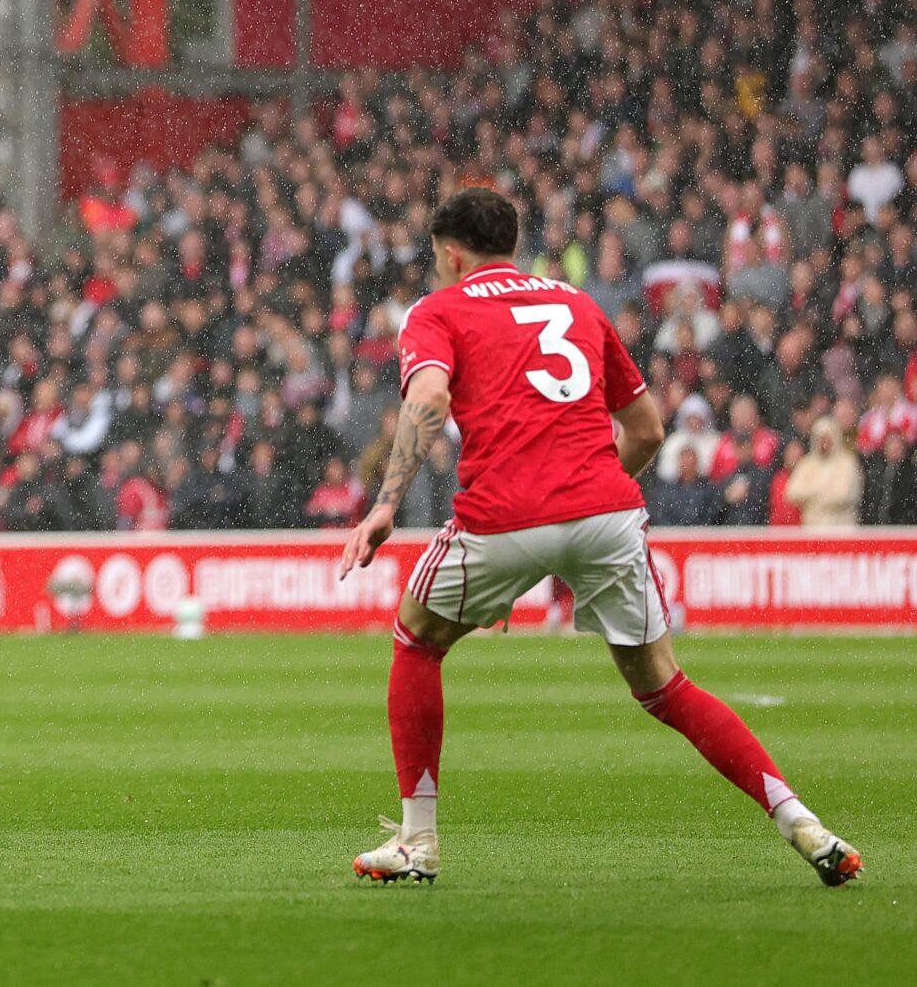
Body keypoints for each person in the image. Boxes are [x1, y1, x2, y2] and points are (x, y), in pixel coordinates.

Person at [339, 188, 860, 888]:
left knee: (417, 640)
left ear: (452, 253)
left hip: (502, 514)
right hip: (607, 509)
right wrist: (582, 499)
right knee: (667, 688)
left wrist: (384, 505)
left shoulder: (439, 309)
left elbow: (429, 399)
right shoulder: (577, 304)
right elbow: (647, 430)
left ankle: (418, 842)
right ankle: (802, 820)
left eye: (439, 257)